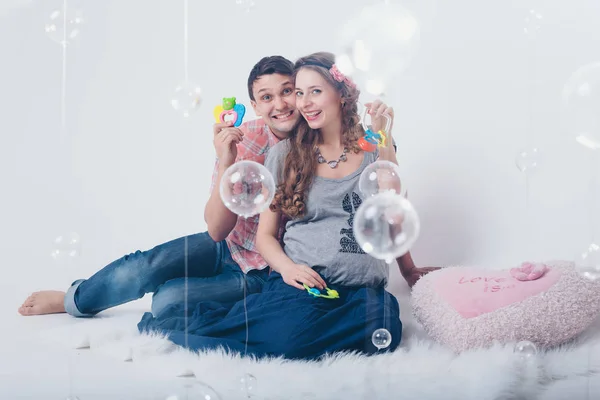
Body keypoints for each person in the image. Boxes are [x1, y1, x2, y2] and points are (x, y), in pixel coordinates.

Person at [136, 52, 438, 360]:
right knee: (291, 339)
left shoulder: (376, 149)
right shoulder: (286, 154)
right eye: (300, 93)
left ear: (342, 95)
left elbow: (392, 215)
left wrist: (409, 269)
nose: (304, 102)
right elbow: (264, 235)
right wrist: (288, 268)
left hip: (364, 291)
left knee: (385, 334)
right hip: (305, 285)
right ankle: (242, 324)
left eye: (315, 91)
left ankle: (276, 327)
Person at [18, 55, 302, 318]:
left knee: (167, 301)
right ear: (254, 105)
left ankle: (203, 290)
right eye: (267, 97)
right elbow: (216, 231)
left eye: (287, 91)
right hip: (227, 245)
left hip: (261, 271)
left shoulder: (316, 147)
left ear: (299, 92)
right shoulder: (242, 137)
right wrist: (226, 161)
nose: (279, 104)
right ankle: (74, 300)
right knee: (145, 266)